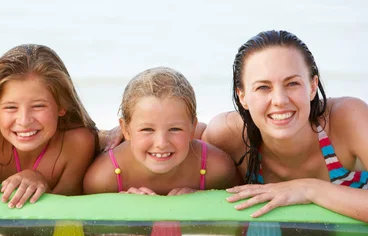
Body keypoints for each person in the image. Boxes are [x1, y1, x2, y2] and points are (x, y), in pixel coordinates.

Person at [203, 30, 368, 222]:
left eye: (292, 83)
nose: (280, 100)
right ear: (242, 96)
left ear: (313, 86)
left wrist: (309, 189)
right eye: (263, 87)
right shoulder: (228, 135)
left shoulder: (348, 118)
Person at [0, 44, 97, 214]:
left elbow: (68, 216)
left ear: (61, 105)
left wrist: (42, 184)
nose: (24, 120)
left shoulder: (78, 142)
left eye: (38, 106)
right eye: (11, 108)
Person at [84, 67, 239, 195]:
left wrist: (202, 197)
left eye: (175, 129)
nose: (161, 143)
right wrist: (120, 204)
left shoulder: (216, 168)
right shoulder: (103, 177)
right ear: (126, 129)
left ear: (192, 128)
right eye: (147, 129)